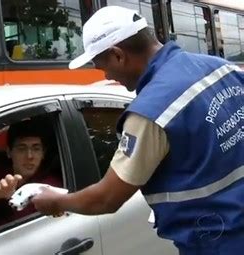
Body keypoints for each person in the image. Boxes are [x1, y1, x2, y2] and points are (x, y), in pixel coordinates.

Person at [31, 6, 244, 255]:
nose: (108, 75)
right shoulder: (222, 68)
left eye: (103, 66)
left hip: (220, 242)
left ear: (118, 55)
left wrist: (54, 201)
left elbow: (107, 198)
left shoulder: (151, 113)